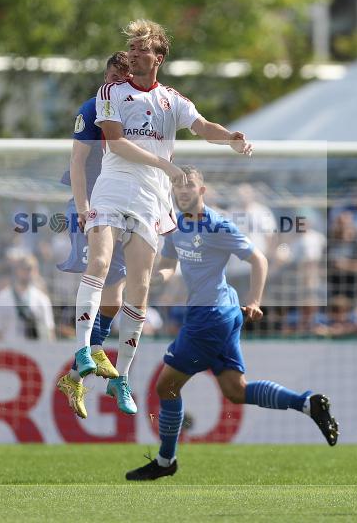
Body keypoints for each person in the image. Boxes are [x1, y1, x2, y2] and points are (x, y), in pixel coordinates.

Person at [57, 19, 253, 419]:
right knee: (99, 262)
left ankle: (120, 378)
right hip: (113, 186)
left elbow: (202, 126)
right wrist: (165, 165)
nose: (132, 53)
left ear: (158, 57)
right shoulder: (111, 90)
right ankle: (82, 351)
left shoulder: (171, 99)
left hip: (151, 200)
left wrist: (230, 137)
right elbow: (114, 141)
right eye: (130, 47)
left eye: (141, 48)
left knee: (140, 288)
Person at [125, 166, 338, 481]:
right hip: (216, 313)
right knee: (235, 391)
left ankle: (166, 460)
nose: (182, 191)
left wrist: (255, 300)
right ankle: (308, 404)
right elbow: (169, 267)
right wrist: (150, 278)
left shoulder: (218, 225)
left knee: (166, 386)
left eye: (189, 186)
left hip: (210, 316)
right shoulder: (174, 225)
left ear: (202, 191)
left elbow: (259, 259)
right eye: (177, 186)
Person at [57, 52, 132, 380]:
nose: (113, 85)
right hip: (90, 204)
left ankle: (87, 359)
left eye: (121, 80)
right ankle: (84, 350)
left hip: (123, 207)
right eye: (110, 78)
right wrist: (83, 206)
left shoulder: (138, 113)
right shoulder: (91, 110)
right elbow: (77, 161)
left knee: (117, 291)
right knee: (98, 271)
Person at [0, 252, 55, 342]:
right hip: (9, 353)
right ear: (17, 270)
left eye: (30, 268)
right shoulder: (3, 298)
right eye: (24, 268)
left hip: (35, 353)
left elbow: (49, 333)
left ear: (36, 271)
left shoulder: (42, 299)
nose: (27, 272)